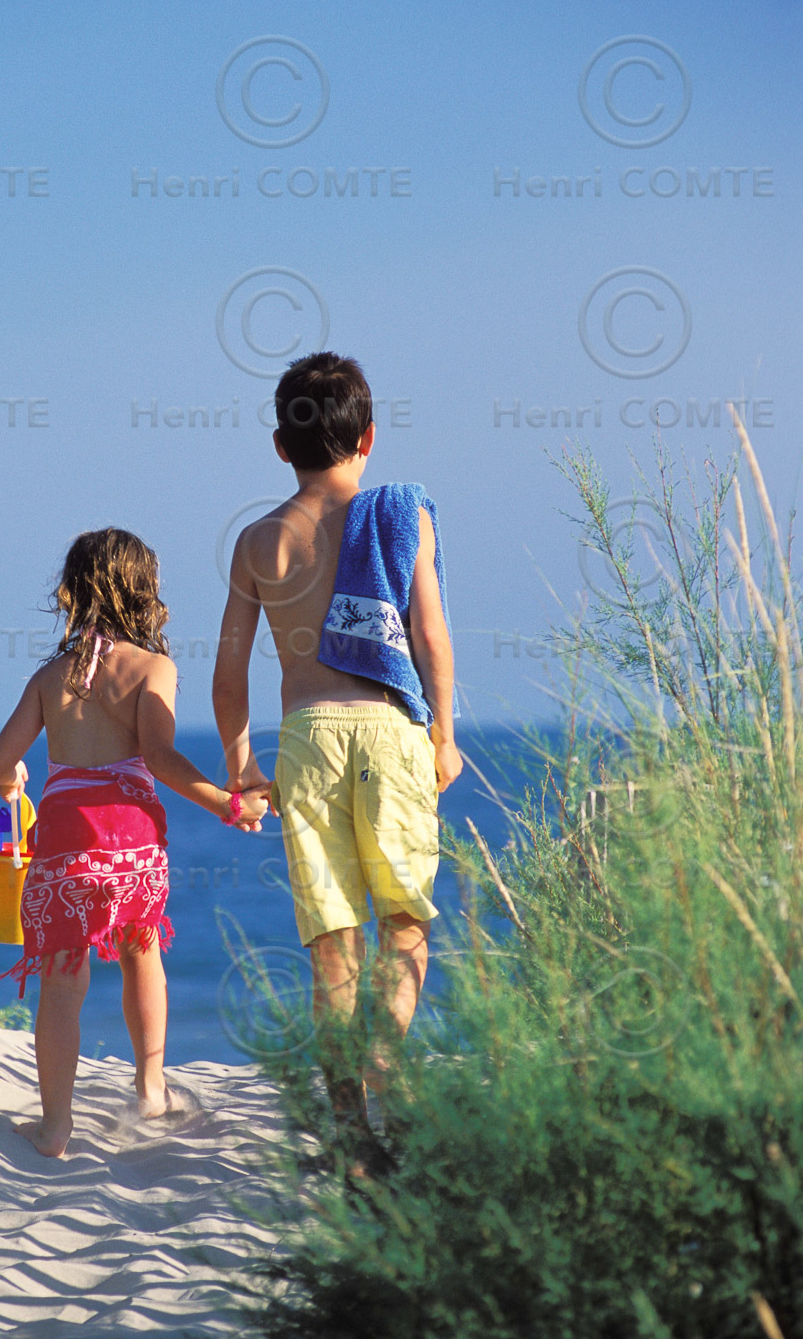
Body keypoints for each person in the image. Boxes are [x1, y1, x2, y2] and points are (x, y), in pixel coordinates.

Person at [212, 352, 463, 1166]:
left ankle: (349, 1125)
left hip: (308, 736)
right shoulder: (401, 515)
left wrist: (244, 763)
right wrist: (446, 734)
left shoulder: (257, 542)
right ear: (370, 437)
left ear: (281, 446)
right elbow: (429, 635)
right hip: (389, 731)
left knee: (332, 944)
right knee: (405, 927)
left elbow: (229, 672)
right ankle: (385, 1071)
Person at [0, 527, 267, 1157]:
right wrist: (227, 802)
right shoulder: (154, 668)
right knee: (143, 953)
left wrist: (14, 779)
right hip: (132, 844)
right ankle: (150, 1089)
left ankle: (55, 1126)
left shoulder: (50, 678)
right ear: (145, 594)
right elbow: (161, 758)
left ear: (72, 595)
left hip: (62, 847)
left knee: (62, 981)